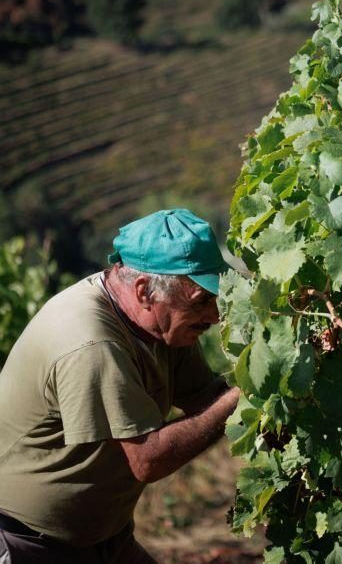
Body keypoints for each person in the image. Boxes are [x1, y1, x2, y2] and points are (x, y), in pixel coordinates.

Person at [0, 209, 241, 564]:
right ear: (145, 291)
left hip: (101, 539)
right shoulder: (92, 343)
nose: (214, 315)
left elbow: (204, 398)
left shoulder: (162, 326)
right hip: (27, 543)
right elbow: (149, 459)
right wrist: (242, 397)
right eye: (201, 301)